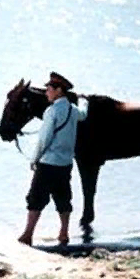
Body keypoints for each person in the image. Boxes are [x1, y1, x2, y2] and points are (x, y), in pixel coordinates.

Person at [18, 72, 89, 247]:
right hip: (65, 164)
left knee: (35, 198)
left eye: (49, 89)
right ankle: (64, 233)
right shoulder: (73, 111)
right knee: (63, 198)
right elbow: (84, 114)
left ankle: (28, 234)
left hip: (48, 163)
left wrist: (34, 159)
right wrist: (84, 100)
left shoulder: (51, 112)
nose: (46, 92)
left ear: (59, 91)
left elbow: (44, 139)